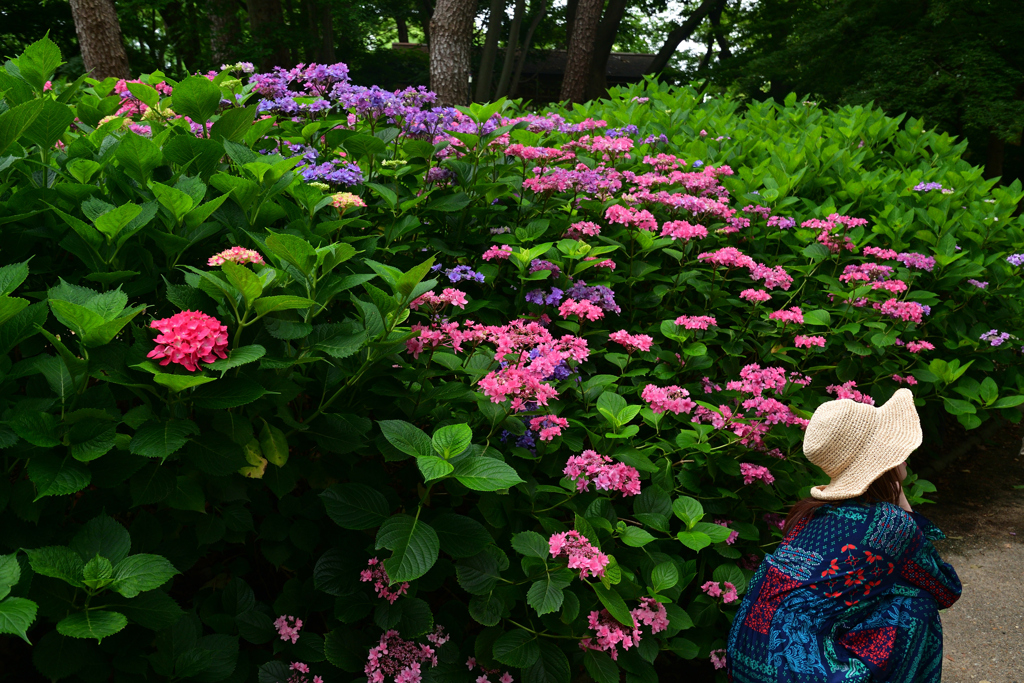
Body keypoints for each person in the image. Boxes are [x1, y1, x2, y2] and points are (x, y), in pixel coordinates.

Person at [727, 388, 962, 682]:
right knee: (917, 605)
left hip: (748, 660)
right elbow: (946, 589)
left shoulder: (810, 514)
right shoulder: (889, 525)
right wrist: (903, 506)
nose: (905, 455)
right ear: (882, 462)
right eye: (894, 447)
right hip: (800, 672)